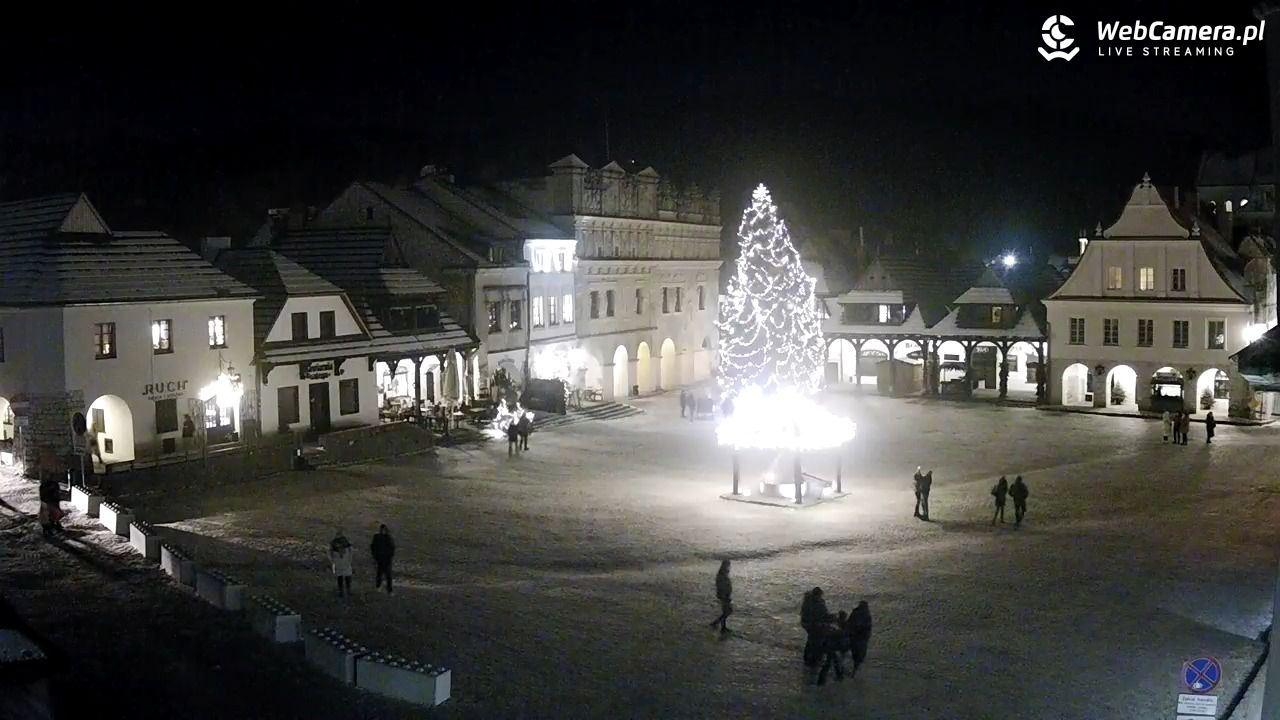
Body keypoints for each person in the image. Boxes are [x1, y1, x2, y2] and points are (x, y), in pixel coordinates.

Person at [801, 587, 836, 668]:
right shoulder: (817, 604)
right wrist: (832, 618)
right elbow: (821, 616)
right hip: (815, 626)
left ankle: (807, 660)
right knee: (817, 642)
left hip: (809, 625)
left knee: (811, 641)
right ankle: (814, 662)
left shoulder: (808, 601)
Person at [846, 600, 872, 676]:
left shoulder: (855, 612)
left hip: (854, 637)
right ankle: (854, 671)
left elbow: (849, 623)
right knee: (859, 655)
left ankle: (853, 671)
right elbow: (868, 628)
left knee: (854, 653)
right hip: (861, 638)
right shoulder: (867, 615)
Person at [708, 560, 733, 633]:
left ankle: (719, 624)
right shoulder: (722, 575)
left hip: (725, 595)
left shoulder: (723, 574)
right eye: (728, 565)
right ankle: (720, 626)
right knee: (727, 611)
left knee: (726, 611)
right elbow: (722, 586)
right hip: (724, 595)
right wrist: (724, 595)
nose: (729, 567)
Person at [370, 524, 395, 594]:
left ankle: (388, 589)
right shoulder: (378, 537)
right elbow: (373, 547)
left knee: (387, 575)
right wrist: (375, 556)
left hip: (386, 559)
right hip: (380, 559)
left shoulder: (387, 538)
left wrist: (389, 557)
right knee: (380, 574)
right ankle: (379, 587)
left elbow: (392, 548)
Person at [329, 530, 354, 598]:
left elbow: (350, 551)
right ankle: (342, 591)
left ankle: (346, 590)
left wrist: (349, 559)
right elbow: (331, 553)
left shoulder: (344, 542)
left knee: (346, 577)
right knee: (342, 577)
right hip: (340, 562)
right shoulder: (335, 544)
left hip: (344, 561)